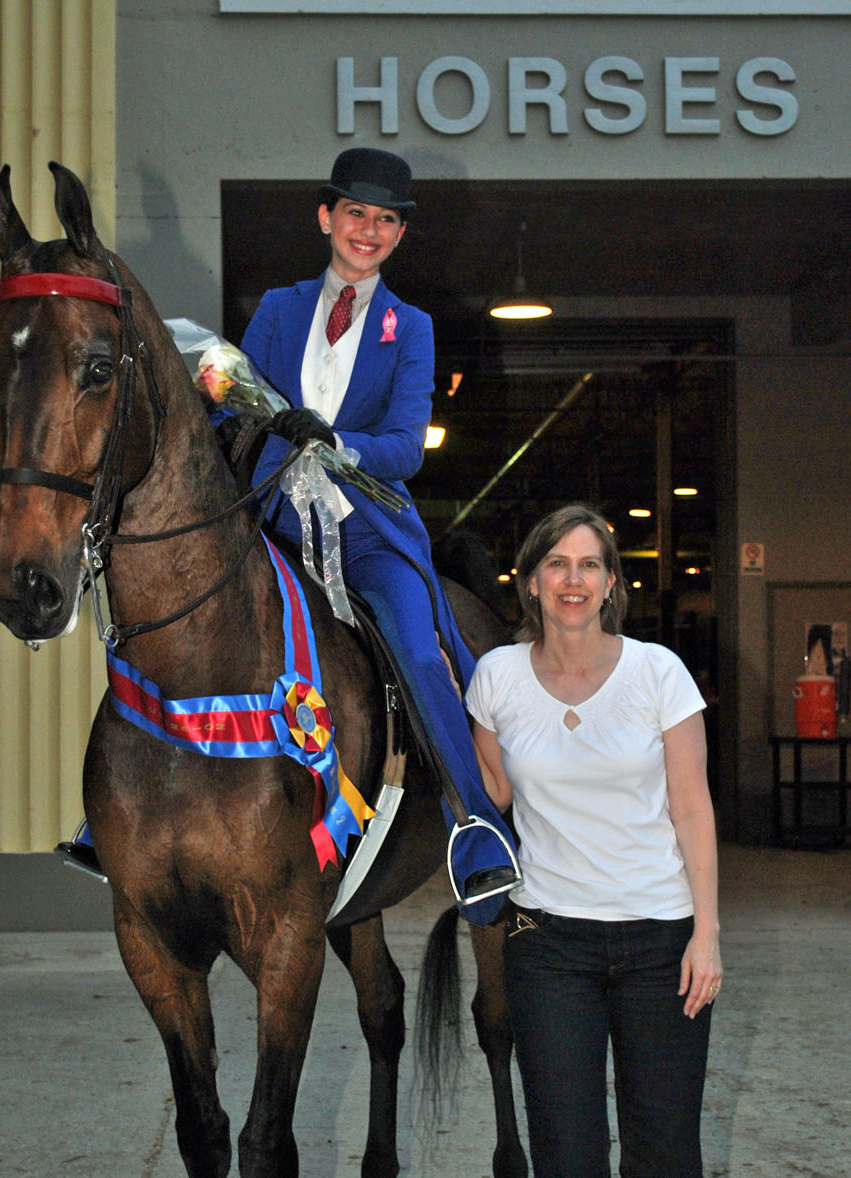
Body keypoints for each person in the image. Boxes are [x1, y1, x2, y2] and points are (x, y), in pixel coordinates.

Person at [239, 146, 519, 919]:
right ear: (327, 217)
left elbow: (404, 443)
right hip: (270, 519)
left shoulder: (414, 328)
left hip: (367, 530)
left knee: (422, 650)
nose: (369, 230)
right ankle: (113, 814)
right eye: (357, 213)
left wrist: (334, 445)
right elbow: (238, 411)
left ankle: (477, 826)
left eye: (386, 220)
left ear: (398, 235)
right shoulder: (276, 308)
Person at [466, 503, 722, 1177]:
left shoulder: (658, 673)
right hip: (546, 945)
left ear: (611, 583)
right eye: (556, 564)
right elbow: (493, 798)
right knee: (565, 1154)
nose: (571, 580)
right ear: (530, 582)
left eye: (588, 564)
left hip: (661, 940)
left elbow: (693, 809)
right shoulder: (495, 677)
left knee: (664, 1153)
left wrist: (708, 933)